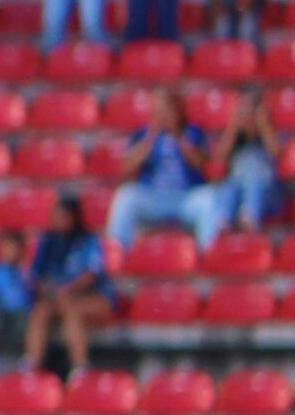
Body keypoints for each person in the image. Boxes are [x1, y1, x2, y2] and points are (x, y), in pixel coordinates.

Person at [106, 88, 208, 252]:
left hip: (184, 197)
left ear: (178, 110)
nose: (164, 115)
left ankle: (208, 254)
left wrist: (177, 135)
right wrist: (151, 137)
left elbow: (201, 164)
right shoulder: (143, 135)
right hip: (153, 196)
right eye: (159, 110)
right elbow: (125, 167)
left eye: (167, 109)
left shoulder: (192, 132)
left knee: (207, 199)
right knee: (126, 196)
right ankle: (116, 253)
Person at [21, 193, 113, 373]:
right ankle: (31, 366)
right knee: (41, 311)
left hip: (90, 298)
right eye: (55, 216)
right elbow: (36, 276)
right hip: (57, 299)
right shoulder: (47, 242)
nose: (57, 221)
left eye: (62, 216)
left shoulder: (88, 240)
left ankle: (80, 366)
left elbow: (92, 275)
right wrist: (48, 289)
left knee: (72, 311)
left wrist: (67, 289)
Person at [198, 89, 284, 249]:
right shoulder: (234, 135)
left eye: (251, 109)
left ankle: (250, 220)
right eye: (243, 109)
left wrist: (262, 125)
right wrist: (233, 126)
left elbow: (277, 155)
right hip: (238, 194)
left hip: (268, 195)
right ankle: (222, 224)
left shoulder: (269, 132)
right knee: (229, 185)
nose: (247, 115)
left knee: (254, 179)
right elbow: (219, 158)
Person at [0, 228, 34, 376]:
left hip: (22, 310)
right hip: (2, 310)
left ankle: (26, 356)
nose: (7, 251)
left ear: (20, 250)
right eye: (4, 247)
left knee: (27, 322)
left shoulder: (25, 270)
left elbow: (31, 289)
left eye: (12, 248)